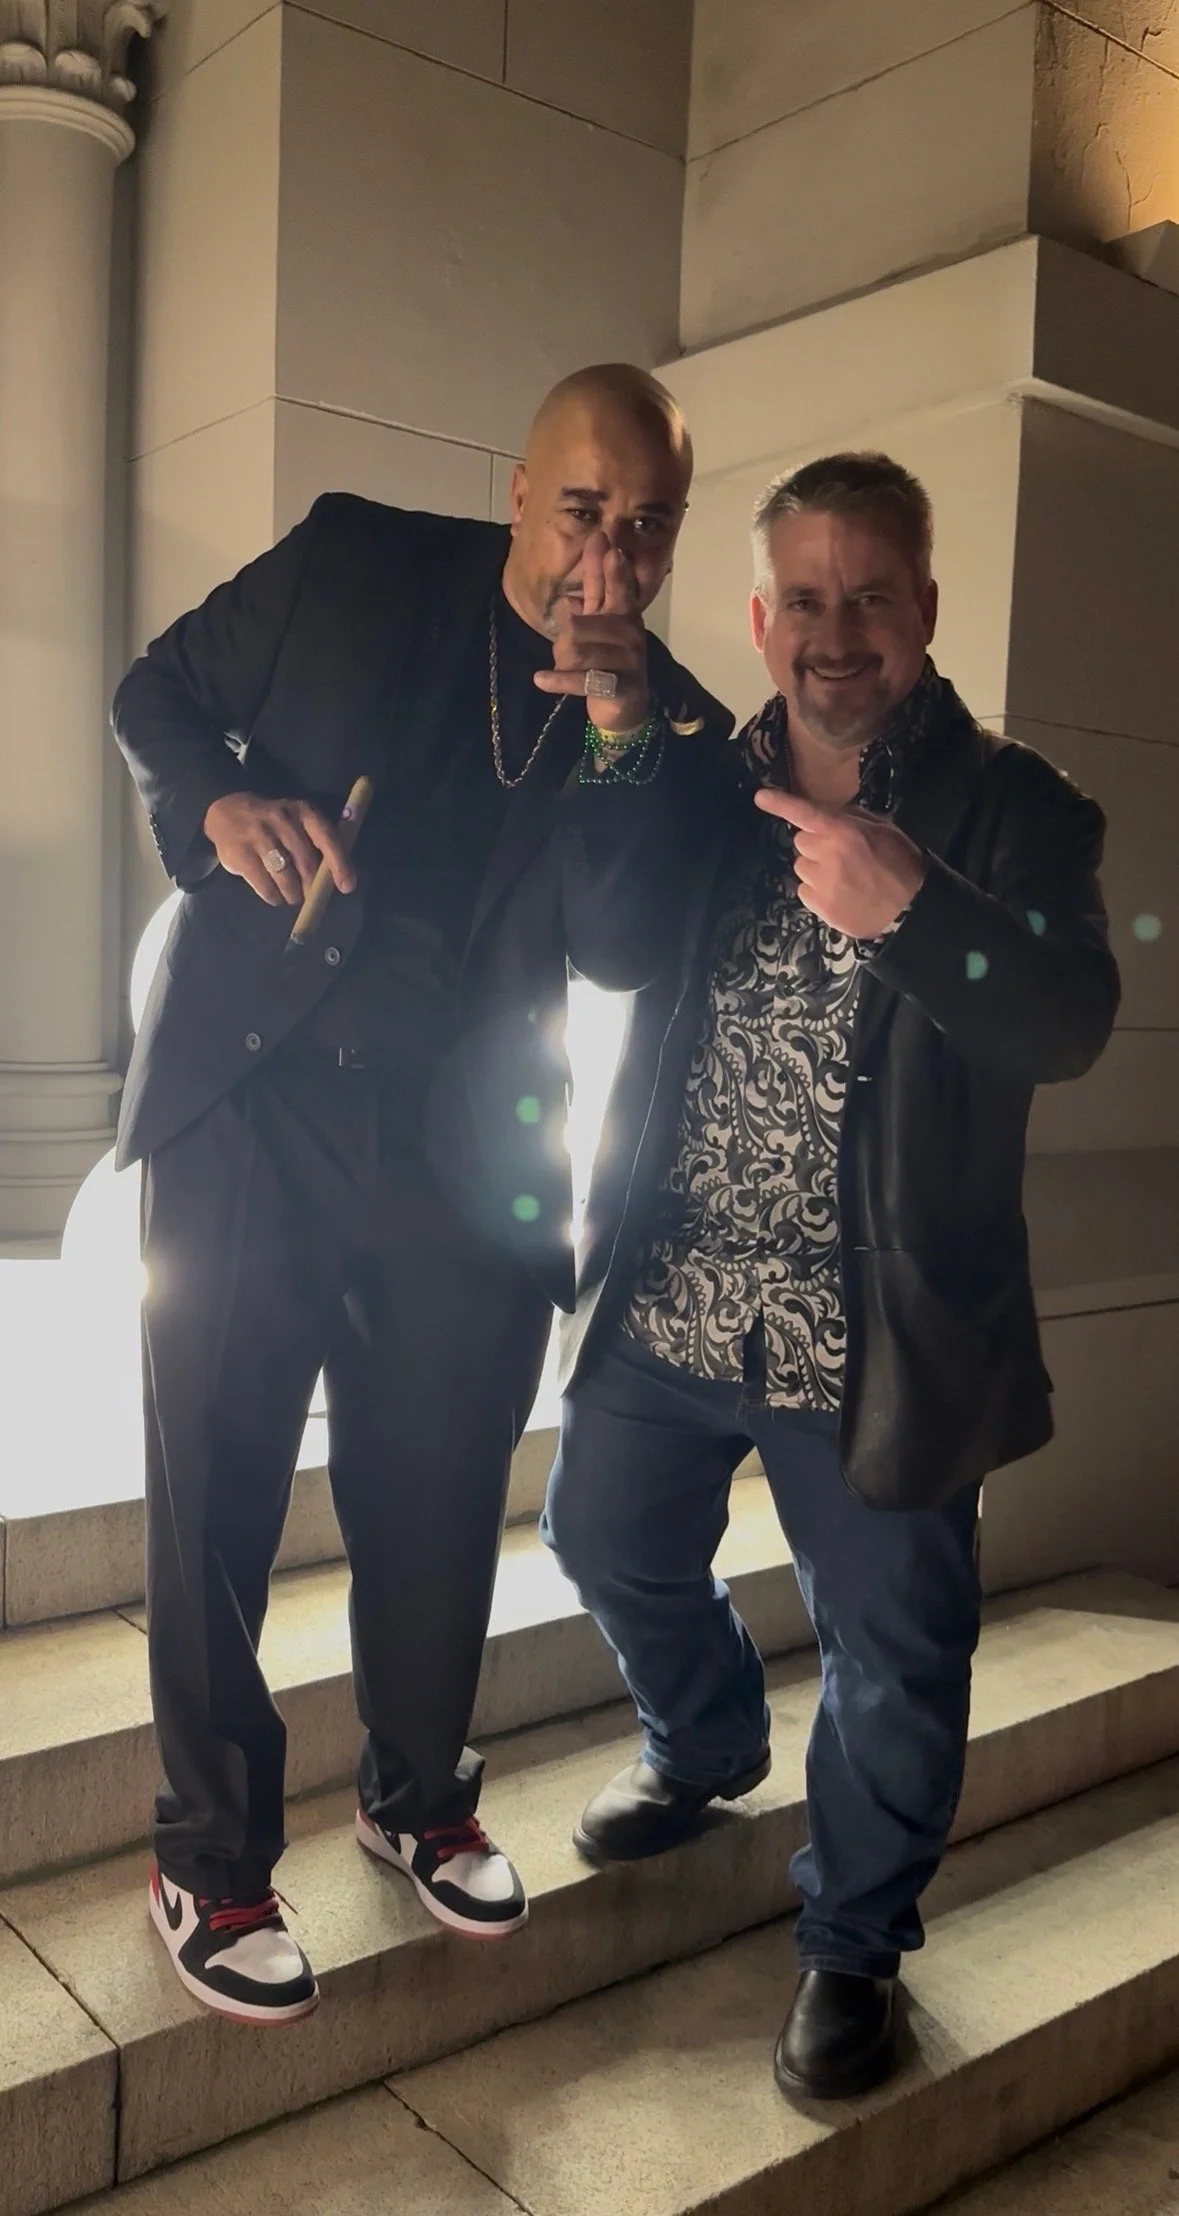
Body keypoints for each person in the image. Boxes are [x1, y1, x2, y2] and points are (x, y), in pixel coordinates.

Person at [112, 363, 731, 2025]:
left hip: (475, 1155)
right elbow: (155, 694)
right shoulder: (356, 562)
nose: (608, 554)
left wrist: (614, 736)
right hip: (258, 1100)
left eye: (648, 526)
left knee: (442, 1490)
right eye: (583, 507)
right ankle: (207, 1850)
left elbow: (615, 946)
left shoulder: (670, 723)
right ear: (516, 486)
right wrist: (216, 805)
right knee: (220, 1484)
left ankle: (414, 1790)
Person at [543, 451, 1120, 2100]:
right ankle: (709, 1737)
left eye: (871, 594)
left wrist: (916, 910)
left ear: (926, 609)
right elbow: (609, 942)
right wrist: (606, 738)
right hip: (676, 1289)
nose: (835, 631)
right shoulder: (704, 785)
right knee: (597, 1532)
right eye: (803, 597)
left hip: (873, 1320)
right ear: (757, 613)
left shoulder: (1017, 809)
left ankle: (851, 1945)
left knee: (895, 1650)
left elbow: (1068, 1020)